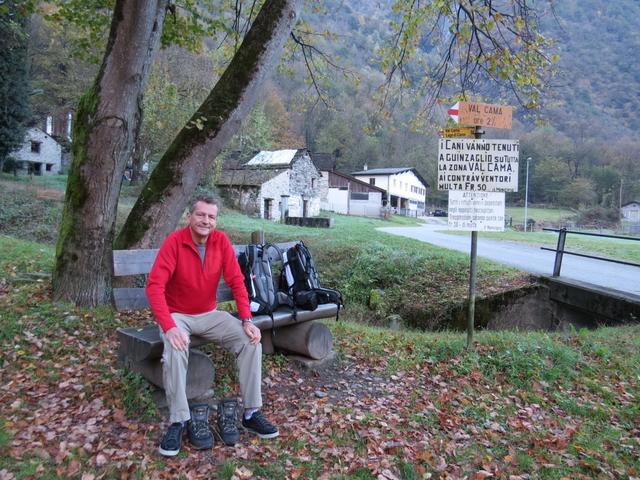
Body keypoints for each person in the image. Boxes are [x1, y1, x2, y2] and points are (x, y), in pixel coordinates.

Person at [146, 195, 279, 457]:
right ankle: (178, 420)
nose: (206, 220)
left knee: (250, 340)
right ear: (190, 217)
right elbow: (154, 287)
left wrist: (247, 320)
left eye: (211, 216)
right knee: (175, 347)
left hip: (209, 314)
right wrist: (169, 326)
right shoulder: (174, 242)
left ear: (215, 220)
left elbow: (237, 282)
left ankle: (251, 413)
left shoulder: (221, 242)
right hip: (178, 316)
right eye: (201, 215)